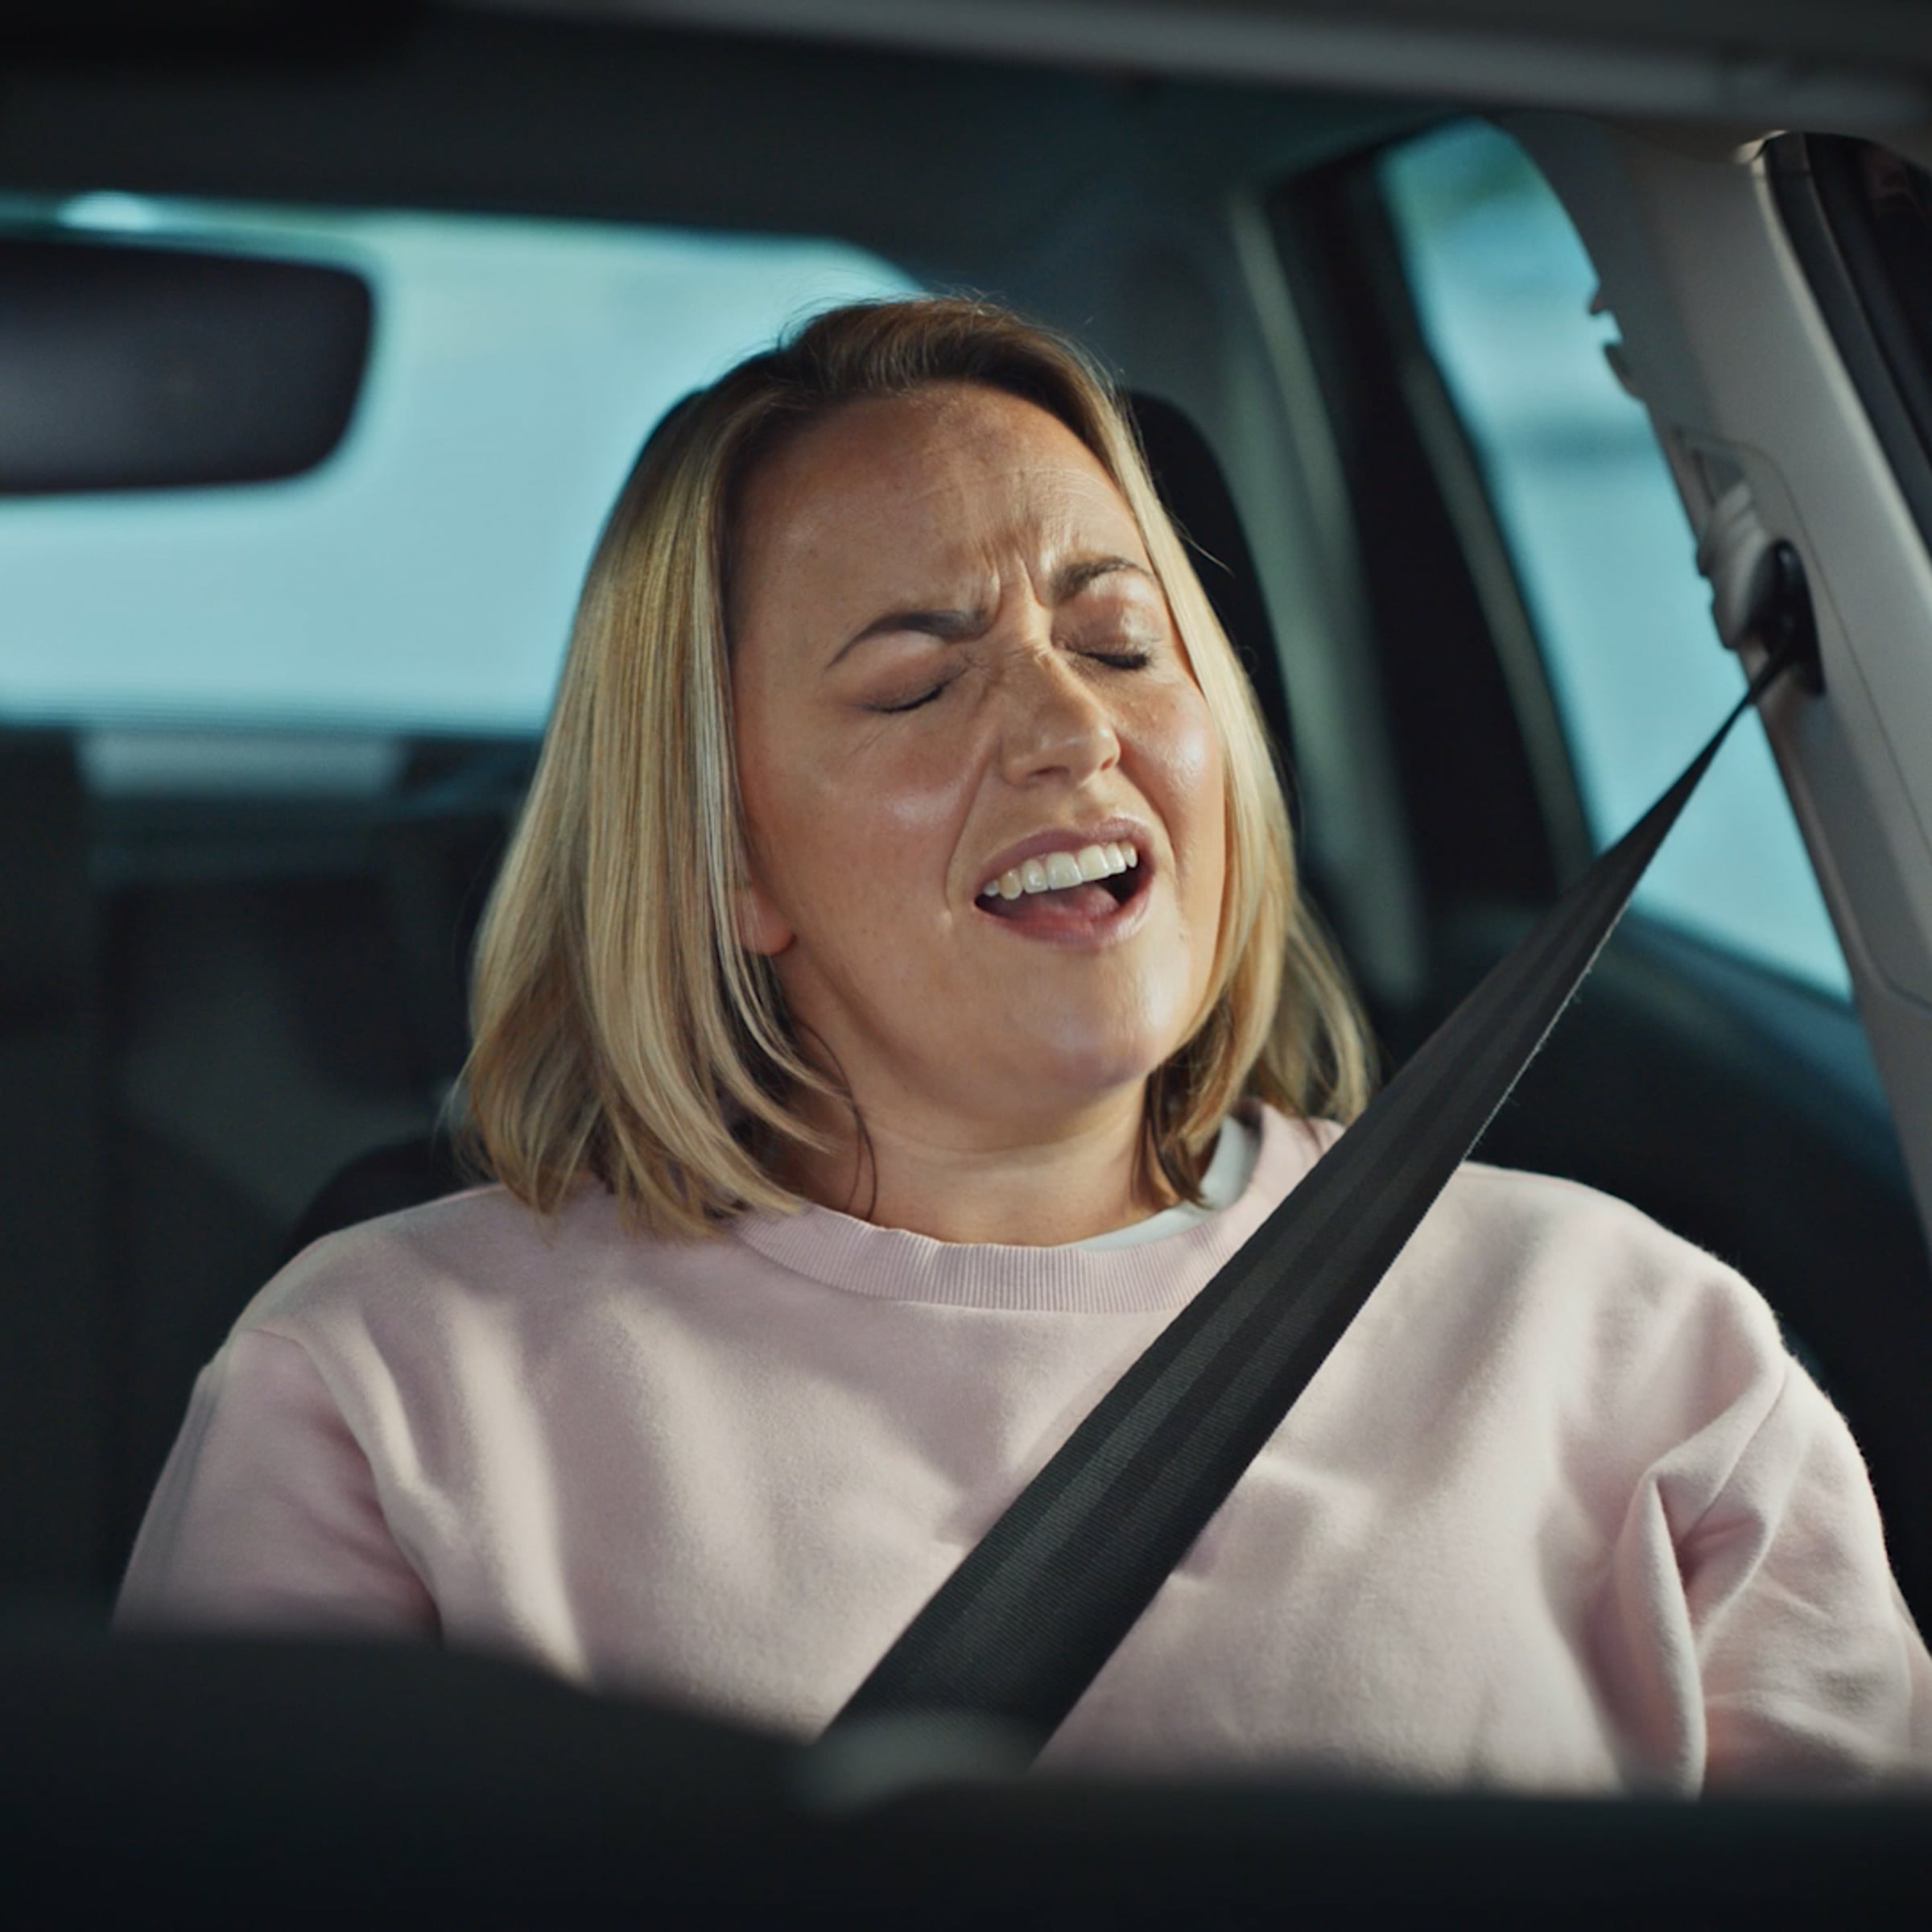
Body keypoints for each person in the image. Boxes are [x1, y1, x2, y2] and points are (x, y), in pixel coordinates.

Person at [118, 295, 1932, 1791]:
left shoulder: (1634, 1342)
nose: (1071, 729)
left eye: (1124, 644)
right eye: (917, 681)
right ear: (729, 858)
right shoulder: (382, 1388)